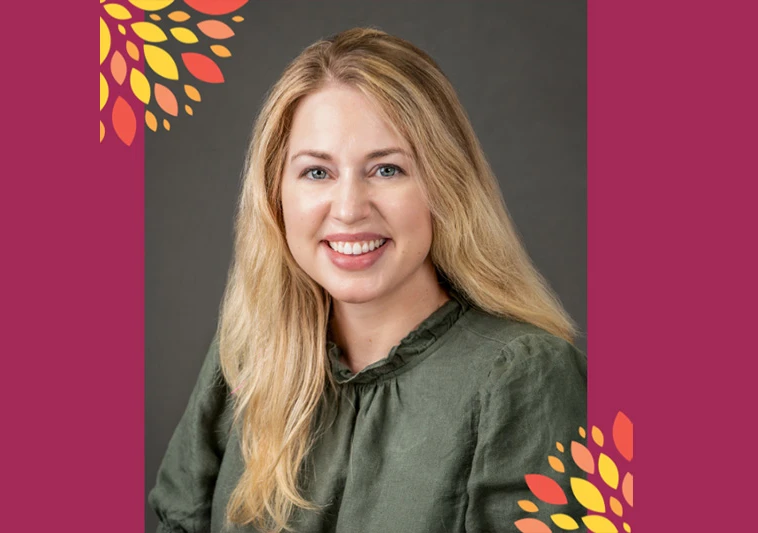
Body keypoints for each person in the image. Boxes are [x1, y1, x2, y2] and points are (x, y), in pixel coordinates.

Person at [149, 28, 587, 533]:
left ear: (444, 186)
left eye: (386, 169)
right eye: (317, 173)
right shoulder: (249, 353)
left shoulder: (524, 378)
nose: (350, 209)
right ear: (276, 196)